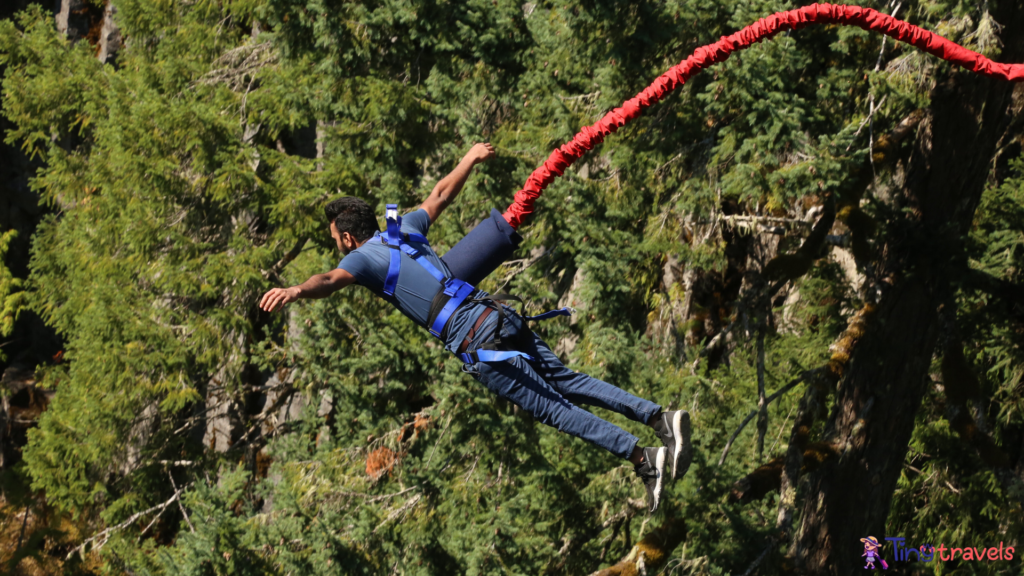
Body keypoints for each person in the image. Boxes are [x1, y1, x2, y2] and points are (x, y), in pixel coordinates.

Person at [258, 143, 692, 512]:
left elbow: (329, 281)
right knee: (566, 380)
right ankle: (659, 417)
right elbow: (440, 195)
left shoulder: (360, 258)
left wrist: (297, 290)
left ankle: (643, 458)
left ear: (349, 239)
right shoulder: (402, 228)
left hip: (473, 338)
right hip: (494, 313)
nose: (338, 248)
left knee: (553, 409)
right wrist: (468, 159)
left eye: (336, 240)